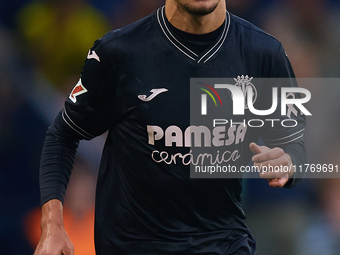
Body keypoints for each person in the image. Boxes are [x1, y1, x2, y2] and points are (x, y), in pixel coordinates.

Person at [34, 0, 307, 254]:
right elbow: (63, 135)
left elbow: (295, 146)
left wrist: (289, 164)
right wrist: (53, 225)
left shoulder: (263, 53)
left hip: (224, 243)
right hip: (133, 246)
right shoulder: (118, 52)